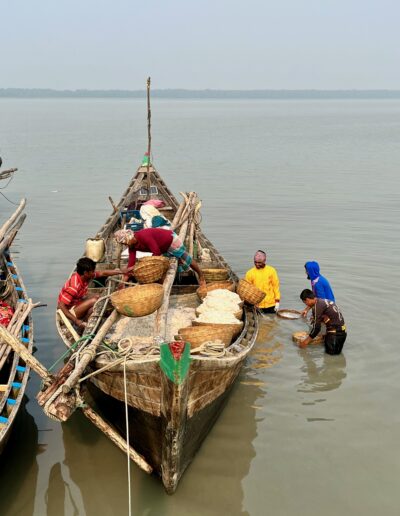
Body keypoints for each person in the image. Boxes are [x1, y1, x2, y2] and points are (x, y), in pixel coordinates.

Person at [58, 257, 132, 330]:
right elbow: (61, 306)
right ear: (85, 273)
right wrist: (76, 321)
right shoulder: (74, 287)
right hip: (66, 313)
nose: (94, 273)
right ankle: (80, 325)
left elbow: (102, 273)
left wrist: (122, 271)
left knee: (97, 298)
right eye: (92, 271)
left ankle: (85, 323)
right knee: (94, 300)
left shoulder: (85, 276)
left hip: (76, 304)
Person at [114, 227, 206, 286]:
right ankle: (162, 287)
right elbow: (131, 263)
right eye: (124, 244)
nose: (126, 245)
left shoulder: (144, 236)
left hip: (170, 241)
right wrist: (123, 280)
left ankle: (201, 275)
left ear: (130, 237)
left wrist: (148, 265)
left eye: (126, 242)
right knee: (165, 268)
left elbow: (156, 252)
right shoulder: (131, 246)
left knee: (185, 258)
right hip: (162, 248)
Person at [298, 289, 347, 355]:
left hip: (334, 335)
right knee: (336, 357)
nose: (306, 304)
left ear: (307, 299)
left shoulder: (317, 307)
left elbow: (316, 328)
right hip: (342, 333)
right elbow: (331, 317)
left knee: (330, 360)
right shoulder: (322, 301)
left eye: (305, 302)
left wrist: (305, 342)